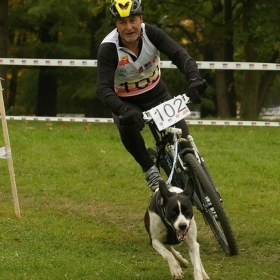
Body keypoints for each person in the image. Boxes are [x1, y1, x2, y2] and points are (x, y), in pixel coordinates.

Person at [97, 0, 206, 191]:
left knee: (185, 143)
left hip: (157, 94)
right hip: (126, 100)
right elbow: (104, 89)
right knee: (126, 123)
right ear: (116, 24)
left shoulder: (152, 33)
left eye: (133, 20)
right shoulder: (108, 48)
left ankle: (198, 173)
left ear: (141, 19)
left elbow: (181, 56)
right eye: (122, 22)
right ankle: (149, 168)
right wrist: (122, 109)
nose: (129, 27)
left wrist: (194, 79)